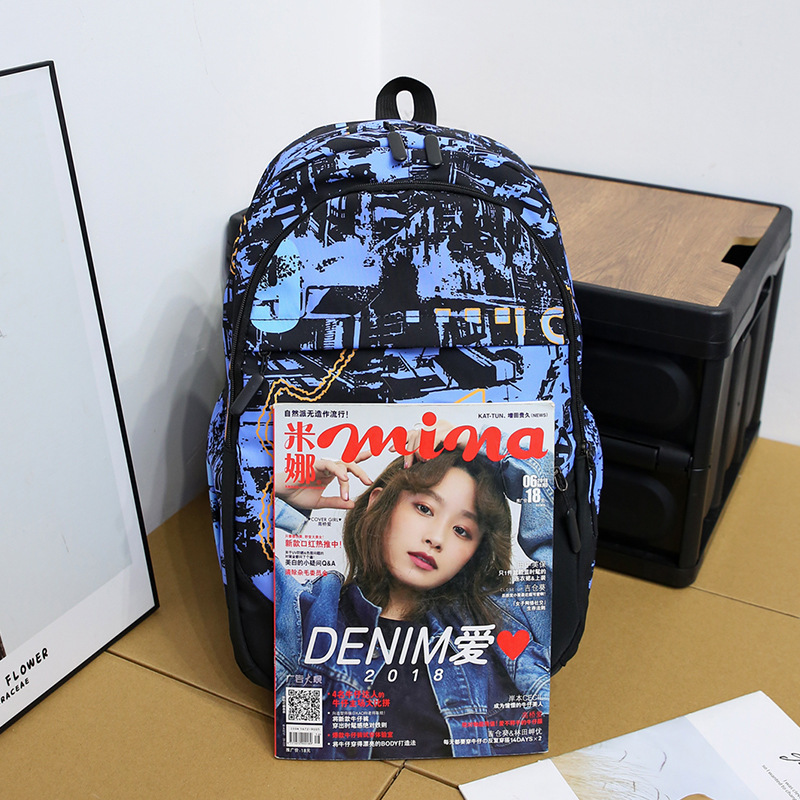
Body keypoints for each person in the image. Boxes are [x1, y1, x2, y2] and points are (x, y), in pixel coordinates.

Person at [274, 428, 552, 760]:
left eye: (461, 530)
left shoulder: (505, 624)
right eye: (424, 508)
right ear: (377, 503)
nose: (436, 538)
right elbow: (241, 553)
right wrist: (279, 494)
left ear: (474, 554)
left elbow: (564, 538)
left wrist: (487, 444)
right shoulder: (304, 615)